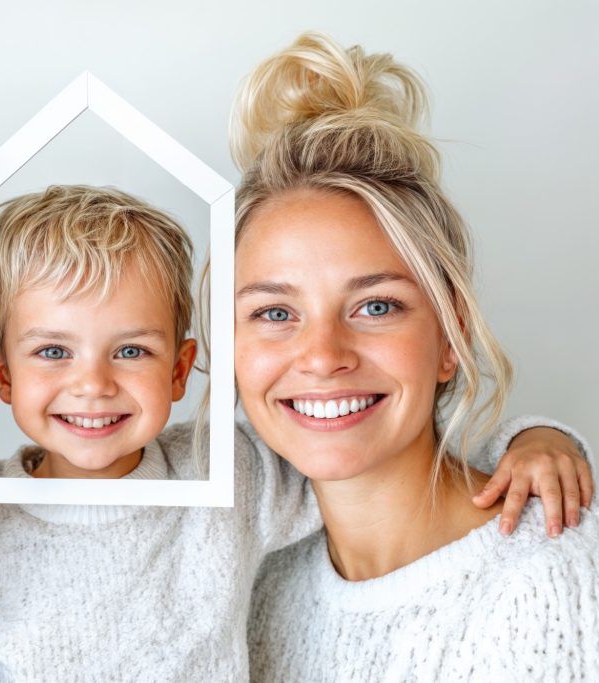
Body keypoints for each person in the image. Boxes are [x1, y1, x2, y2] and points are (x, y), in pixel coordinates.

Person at [0, 185, 590, 682]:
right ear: (1, 374)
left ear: (181, 369)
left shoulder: (228, 474)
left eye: (131, 351)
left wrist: (531, 442)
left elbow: (364, 454)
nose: (92, 383)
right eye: (52, 353)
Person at [230, 33, 599, 680]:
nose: (322, 355)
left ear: (451, 336)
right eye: (275, 313)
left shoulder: (551, 579)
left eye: (375, 305)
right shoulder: (250, 584)